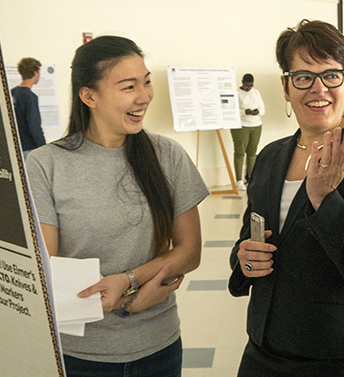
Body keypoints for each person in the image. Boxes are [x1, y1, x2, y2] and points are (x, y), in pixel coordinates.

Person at [228, 20, 344, 377]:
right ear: (286, 85)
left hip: (332, 355)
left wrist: (325, 200)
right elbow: (250, 240)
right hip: (262, 347)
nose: (318, 88)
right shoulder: (271, 156)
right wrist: (244, 258)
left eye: (331, 75)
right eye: (303, 77)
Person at [27, 36, 209, 377]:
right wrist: (131, 295)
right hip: (80, 355)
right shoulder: (44, 165)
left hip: (158, 347)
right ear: (89, 96)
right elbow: (48, 271)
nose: (144, 96)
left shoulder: (167, 155)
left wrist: (129, 285)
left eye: (147, 82)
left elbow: (190, 251)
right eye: (128, 87)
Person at [231, 73, 265, 191]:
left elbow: (262, 108)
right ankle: (239, 180)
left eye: (250, 86)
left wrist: (257, 112)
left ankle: (251, 178)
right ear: (242, 82)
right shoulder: (236, 93)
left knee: (252, 153)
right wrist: (244, 112)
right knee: (240, 152)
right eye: (246, 86)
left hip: (256, 125)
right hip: (241, 126)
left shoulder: (255, 92)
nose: (248, 88)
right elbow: (232, 109)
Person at [11, 57, 47, 157]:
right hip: (29, 149)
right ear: (35, 73)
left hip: (15, 147)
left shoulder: (12, 93)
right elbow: (34, 125)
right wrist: (43, 147)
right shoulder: (30, 97)